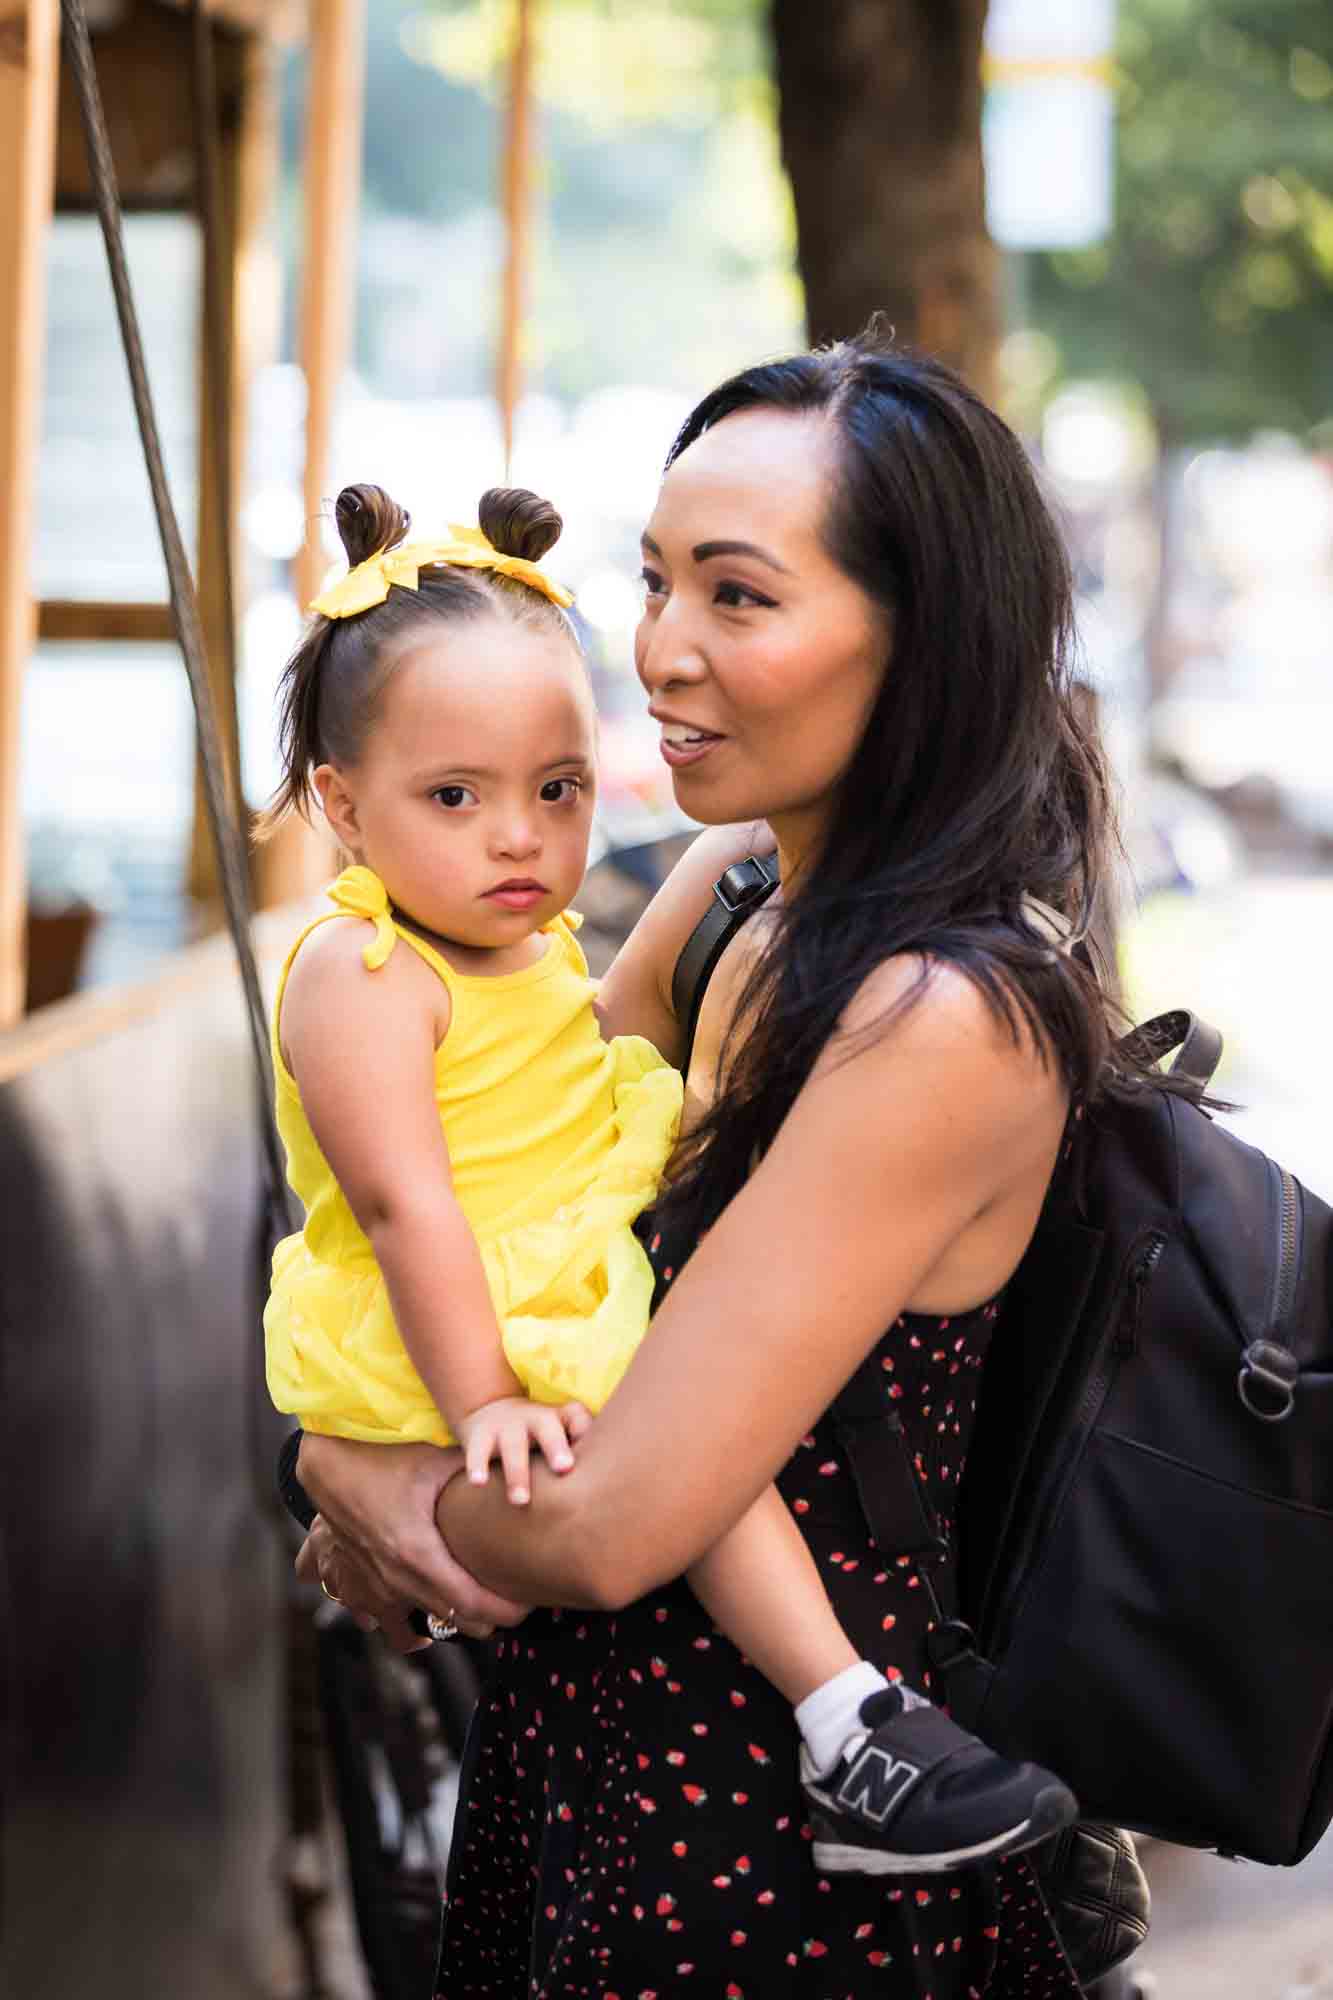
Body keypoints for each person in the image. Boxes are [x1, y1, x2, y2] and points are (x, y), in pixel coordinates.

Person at [289, 331, 1116, 1997]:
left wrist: (358, 1477)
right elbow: (512, 1176)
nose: (659, 651)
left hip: (781, 1844)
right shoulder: (736, 888)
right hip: (589, 1766)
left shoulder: (944, 1017)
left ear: (920, 637)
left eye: (736, 599)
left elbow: (599, 1530)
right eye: (654, 582)